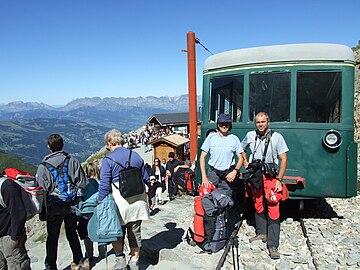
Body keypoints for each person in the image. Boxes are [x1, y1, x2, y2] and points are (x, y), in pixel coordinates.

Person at [99, 129, 149, 270]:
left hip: (120, 202)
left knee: (117, 231)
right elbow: (145, 177)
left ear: (109, 143)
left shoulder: (108, 160)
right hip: (138, 200)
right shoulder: (136, 156)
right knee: (134, 232)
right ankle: (134, 261)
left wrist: (100, 202)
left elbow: (104, 185)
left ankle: (120, 260)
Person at [36, 134, 88, 270]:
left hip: (53, 207)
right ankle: (79, 261)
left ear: (49, 147)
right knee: (72, 232)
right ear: (62, 145)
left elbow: (41, 191)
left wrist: (42, 211)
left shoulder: (43, 166)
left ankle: (51, 266)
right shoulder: (72, 161)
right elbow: (82, 182)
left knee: (52, 237)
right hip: (71, 205)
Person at [241, 112, 288, 260]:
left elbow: (283, 158)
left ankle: (273, 244)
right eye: (257, 122)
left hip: (270, 177)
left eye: (262, 121)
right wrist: (245, 162)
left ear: (268, 122)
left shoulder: (277, 137)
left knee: (273, 205)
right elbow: (240, 149)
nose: (260, 124)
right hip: (256, 175)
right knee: (258, 203)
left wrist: (279, 180)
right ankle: (262, 233)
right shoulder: (250, 135)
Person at [199, 114, 244, 193]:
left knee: (227, 199)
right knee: (208, 197)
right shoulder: (211, 137)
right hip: (213, 174)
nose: (224, 126)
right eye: (221, 124)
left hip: (228, 175)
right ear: (218, 125)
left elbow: (241, 158)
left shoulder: (234, 139)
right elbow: (202, 157)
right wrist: (204, 177)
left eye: (226, 124)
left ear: (230, 125)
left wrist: (235, 171)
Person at [0, 173, 31, 270]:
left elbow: (19, 213)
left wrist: (14, 238)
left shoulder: (7, 186)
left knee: (18, 266)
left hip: (9, 236)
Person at [77, 163, 106, 262]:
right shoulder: (100, 183)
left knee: (87, 234)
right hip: (98, 211)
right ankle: (102, 253)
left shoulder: (83, 185)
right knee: (100, 232)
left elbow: (80, 198)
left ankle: (89, 254)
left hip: (85, 212)